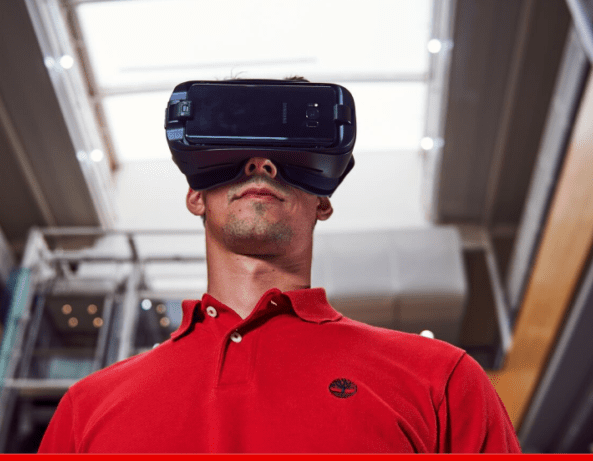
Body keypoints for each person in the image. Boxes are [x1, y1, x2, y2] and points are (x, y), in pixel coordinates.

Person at [37, 148, 522, 452]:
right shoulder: (86, 408)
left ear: (324, 199)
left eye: (289, 151)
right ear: (195, 195)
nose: (260, 164)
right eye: (233, 146)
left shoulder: (441, 380)